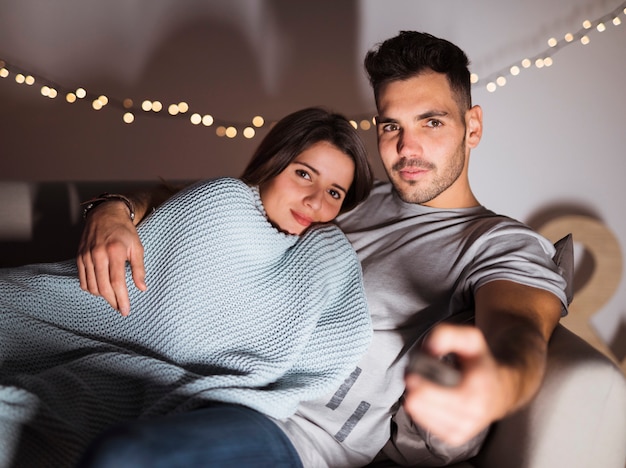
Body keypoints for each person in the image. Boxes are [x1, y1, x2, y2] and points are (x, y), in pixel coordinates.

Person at [74, 31, 568, 468]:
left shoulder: (498, 243)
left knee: (125, 457)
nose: (406, 147)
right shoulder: (341, 197)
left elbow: (520, 331)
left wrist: (498, 383)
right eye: (391, 125)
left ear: (472, 127)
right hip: (209, 375)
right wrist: (114, 209)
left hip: (295, 428)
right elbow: (220, 204)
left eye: (431, 123)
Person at [0, 107, 375, 468]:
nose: (315, 201)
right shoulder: (223, 203)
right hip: (45, 325)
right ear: (275, 163)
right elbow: (169, 321)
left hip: (154, 403)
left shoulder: (325, 254)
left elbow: (336, 345)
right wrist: (111, 208)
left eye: (334, 193)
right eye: (305, 175)